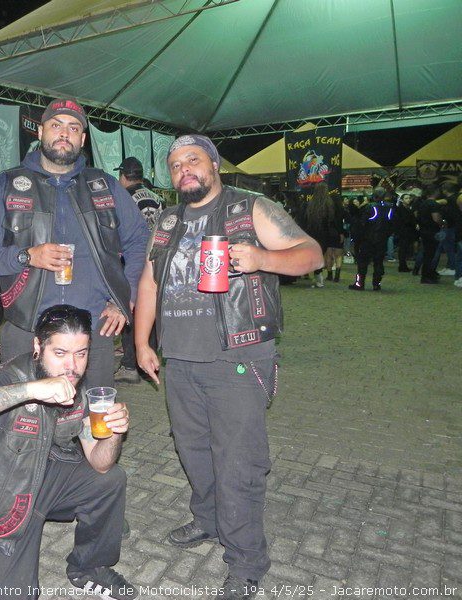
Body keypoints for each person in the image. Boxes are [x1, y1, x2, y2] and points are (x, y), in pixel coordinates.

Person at [134, 134, 323, 600]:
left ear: (214, 165)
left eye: (193, 160)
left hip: (237, 357)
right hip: (180, 359)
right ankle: (208, 520)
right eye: (176, 165)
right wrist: (141, 342)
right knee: (193, 450)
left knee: (238, 463)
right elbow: (149, 283)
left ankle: (245, 562)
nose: (184, 170)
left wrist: (262, 258)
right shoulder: (167, 220)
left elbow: (312, 254)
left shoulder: (250, 208)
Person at [0, 304, 136, 600]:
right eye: (60, 353)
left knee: (110, 480)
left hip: (39, 478)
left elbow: (100, 464)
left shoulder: (80, 388)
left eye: (81, 354)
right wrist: (31, 390)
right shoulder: (6, 379)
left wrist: (114, 433)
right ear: (38, 347)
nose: (72, 366)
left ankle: (89, 568)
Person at [0, 98, 149, 394]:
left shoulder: (105, 186)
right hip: (26, 330)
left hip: (93, 331)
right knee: (23, 417)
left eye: (73, 128)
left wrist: (125, 299)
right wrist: (26, 256)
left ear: (82, 139)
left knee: (93, 417)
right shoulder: (5, 185)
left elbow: (140, 242)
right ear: (40, 132)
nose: (64, 133)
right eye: (56, 125)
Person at [112, 157, 162, 384]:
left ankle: (130, 364)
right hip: (155, 260)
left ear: (123, 176)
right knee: (149, 309)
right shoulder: (156, 197)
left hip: (132, 261)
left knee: (128, 307)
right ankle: (148, 356)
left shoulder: (123, 197)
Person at [303, 183, 344, 286]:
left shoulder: (311, 203)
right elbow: (332, 219)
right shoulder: (329, 203)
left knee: (314, 253)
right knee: (322, 254)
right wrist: (340, 232)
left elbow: (306, 219)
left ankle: (316, 274)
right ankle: (318, 274)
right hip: (325, 233)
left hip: (312, 232)